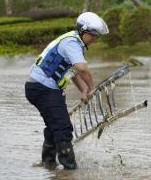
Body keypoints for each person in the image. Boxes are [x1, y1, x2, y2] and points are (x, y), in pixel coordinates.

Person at [24, 12, 109, 170]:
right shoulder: (71, 42)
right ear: (83, 31)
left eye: (97, 36)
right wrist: (92, 87)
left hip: (43, 88)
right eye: (93, 35)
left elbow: (71, 71)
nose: (95, 39)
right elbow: (82, 69)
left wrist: (84, 90)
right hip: (43, 89)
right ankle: (70, 170)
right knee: (63, 128)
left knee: (54, 126)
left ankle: (49, 165)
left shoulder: (74, 42)